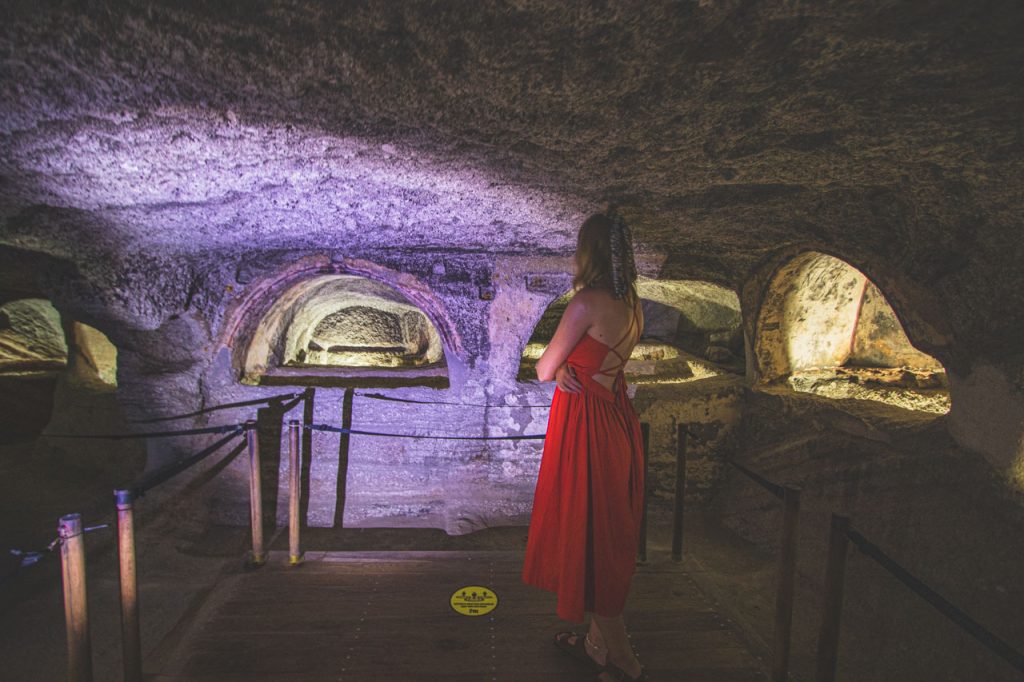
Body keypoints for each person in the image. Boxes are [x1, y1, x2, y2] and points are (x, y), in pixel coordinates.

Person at [521, 211, 647, 682]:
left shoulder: (586, 303)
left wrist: (560, 368)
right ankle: (596, 644)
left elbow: (542, 367)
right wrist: (572, 368)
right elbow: (606, 362)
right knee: (604, 527)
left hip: (587, 426)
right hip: (615, 419)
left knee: (593, 531)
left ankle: (626, 662)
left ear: (589, 252)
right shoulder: (632, 302)